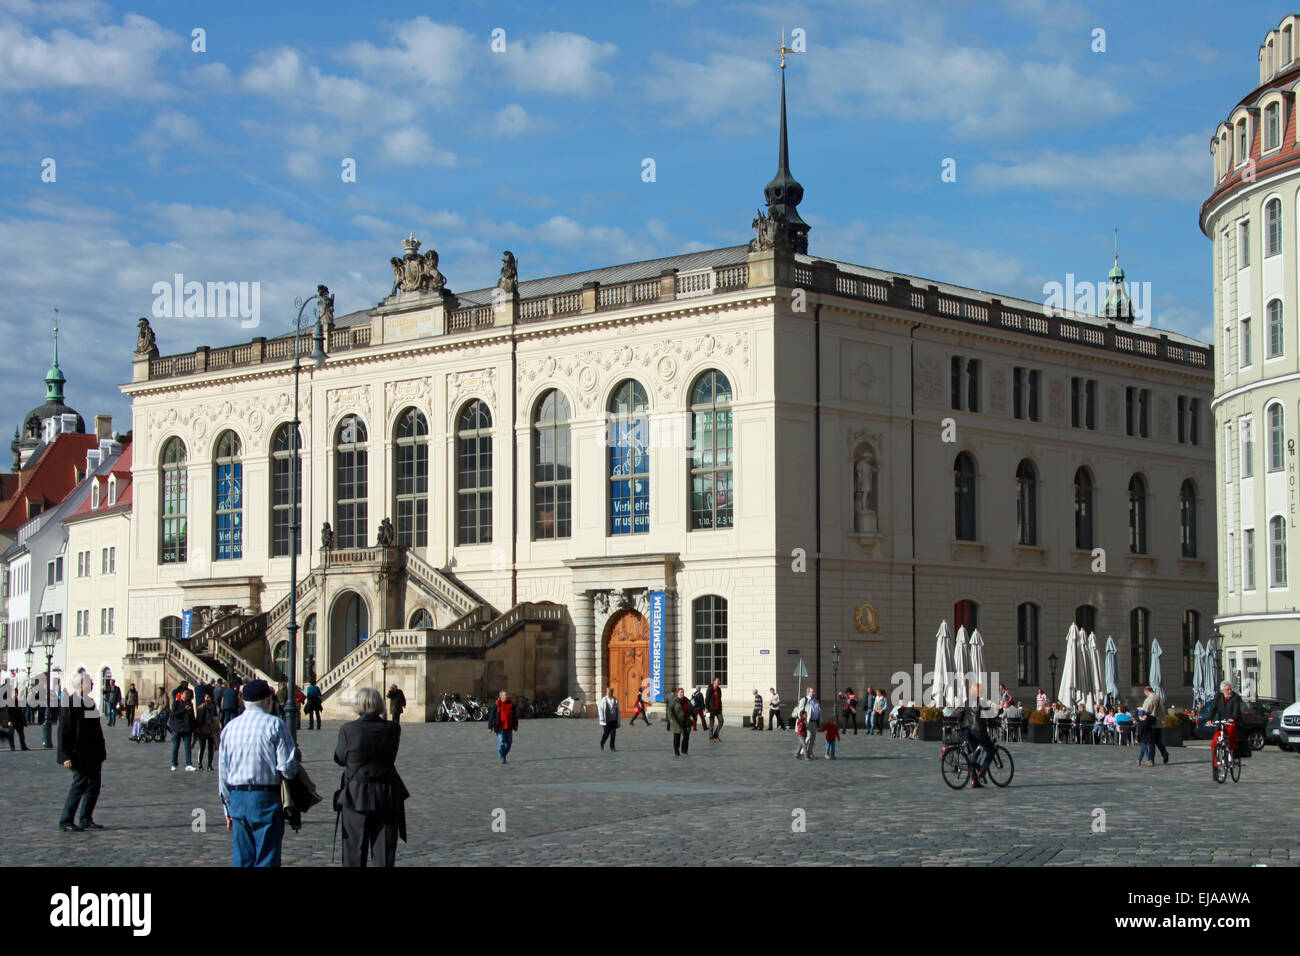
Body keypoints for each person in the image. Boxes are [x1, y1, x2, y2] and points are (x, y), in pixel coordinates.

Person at [218, 679, 299, 867]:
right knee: (266, 857)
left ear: (243, 701)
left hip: (237, 797)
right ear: (268, 701)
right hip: (265, 797)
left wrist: (227, 807)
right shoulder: (275, 724)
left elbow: (223, 773)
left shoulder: (230, 728)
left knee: (242, 858)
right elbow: (287, 767)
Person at [334, 686, 408, 867]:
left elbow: (339, 758)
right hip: (386, 795)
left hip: (355, 796)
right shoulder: (393, 729)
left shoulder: (348, 729)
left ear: (358, 705)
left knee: (354, 853)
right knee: (384, 856)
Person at [57, 671, 107, 832]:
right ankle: (66, 820)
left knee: (94, 785)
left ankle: (86, 818)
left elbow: (97, 730)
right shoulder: (70, 704)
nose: (92, 684)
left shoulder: (90, 702)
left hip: (93, 753)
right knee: (79, 785)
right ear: (80, 685)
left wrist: (101, 751)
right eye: (89, 682)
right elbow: (63, 731)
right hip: (77, 753)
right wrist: (65, 755)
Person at [958, 684, 995, 788]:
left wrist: (961, 727)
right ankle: (983, 770)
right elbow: (988, 716)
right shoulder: (982, 702)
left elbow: (960, 715)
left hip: (967, 730)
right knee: (991, 750)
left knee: (976, 751)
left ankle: (974, 780)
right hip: (978, 729)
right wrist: (994, 722)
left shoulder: (967, 701)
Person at [1207, 680, 1243, 765]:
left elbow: (1236, 710)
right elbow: (1213, 708)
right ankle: (1215, 765)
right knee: (1214, 742)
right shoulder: (1218, 697)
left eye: (1230, 689)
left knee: (1231, 732)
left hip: (1232, 721)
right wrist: (1209, 719)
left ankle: (1232, 751)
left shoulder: (1235, 697)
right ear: (1222, 691)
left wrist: (1233, 718)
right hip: (1222, 722)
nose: (1230, 691)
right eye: (1227, 689)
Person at [169, 688, 197, 772]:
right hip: (177, 728)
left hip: (187, 728)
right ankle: (174, 764)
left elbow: (192, 716)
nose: (187, 695)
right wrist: (184, 710)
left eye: (188, 693)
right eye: (186, 693)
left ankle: (188, 764)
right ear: (181, 694)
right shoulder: (176, 703)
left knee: (187, 747)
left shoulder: (190, 704)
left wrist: (194, 727)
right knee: (175, 747)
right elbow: (174, 714)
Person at [1140, 685, 1169, 764]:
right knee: (1158, 741)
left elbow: (1145, 711)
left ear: (1146, 692)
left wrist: (1139, 712)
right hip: (1160, 723)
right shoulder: (1159, 698)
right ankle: (1164, 752)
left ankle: (1151, 760)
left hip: (1152, 723)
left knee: (1151, 742)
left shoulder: (1150, 699)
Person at [488, 689, 518, 763]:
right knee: (501, 743)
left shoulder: (511, 704)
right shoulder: (497, 705)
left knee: (509, 743)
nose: (507, 696)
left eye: (507, 695)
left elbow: (514, 715)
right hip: (500, 727)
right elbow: (491, 716)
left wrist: (515, 724)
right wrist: (490, 727)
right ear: (501, 696)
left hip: (509, 727)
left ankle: (504, 754)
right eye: (505, 695)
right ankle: (502, 757)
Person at [194, 693, 221, 771]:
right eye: (207, 697)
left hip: (211, 730)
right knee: (202, 747)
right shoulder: (201, 707)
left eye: (209, 697)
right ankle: (200, 764)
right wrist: (197, 728)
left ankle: (209, 764)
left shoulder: (213, 707)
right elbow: (198, 719)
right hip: (202, 729)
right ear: (204, 698)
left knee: (210, 748)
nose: (208, 699)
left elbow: (216, 717)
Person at [4, 680, 30, 751]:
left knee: (21, 735)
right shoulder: (9, 702)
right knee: (11, 735)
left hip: (19, 721)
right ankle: (12, 747)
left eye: (16, 693)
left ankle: (23, 746)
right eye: (14, 693)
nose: (15, 694)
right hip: (12, 721)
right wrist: (9, 721)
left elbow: (21, 712)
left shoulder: (18, 701)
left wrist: (24, 721)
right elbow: (7, 712)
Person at [667, 687, 691, 757]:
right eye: (680, 692)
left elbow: (690, 709)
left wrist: (694, 716)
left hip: (685, 721)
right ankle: (676, 751)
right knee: (677, 738)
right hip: (676, 722)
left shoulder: (686, 700)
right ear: (677, 693)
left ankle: (684, 751)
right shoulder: (674, 701)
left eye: (683, 692)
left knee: (686, 736)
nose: (682, 694)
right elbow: (669, 710)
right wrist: (670, 718)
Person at [795, 687, 819, 755]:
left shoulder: (815, 700)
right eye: (812, 692)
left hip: (814, 722)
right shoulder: (804, 700)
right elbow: (800, 711)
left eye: (814, 692)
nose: (814, 693)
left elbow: (818, 710)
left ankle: (810, 752)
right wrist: (803, 721)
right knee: (808, 736)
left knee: (813, 739)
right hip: (807, 722)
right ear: (808, 692)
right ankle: (803, 752)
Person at [598, 686, 620, 752]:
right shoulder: (603, 700)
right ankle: (602, 742)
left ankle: (612, 747)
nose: (608, 693)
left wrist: (618, 720)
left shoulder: (615, 700)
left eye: (609, 692)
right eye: (607, 692)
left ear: (612, 692)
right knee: (606, 734)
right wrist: (601, 718)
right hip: (606, 720)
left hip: (613, 720)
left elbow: (617, 711)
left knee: (613, 734)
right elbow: (600, 709)